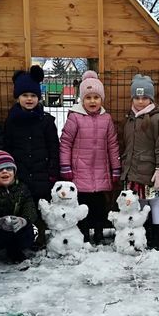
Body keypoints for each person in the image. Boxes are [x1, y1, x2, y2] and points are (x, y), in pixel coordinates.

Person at [60, 70, 120, 245]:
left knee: (99, 206)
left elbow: (112, 145)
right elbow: (65, 143)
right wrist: (65, 166)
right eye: (88, 97)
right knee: (83, 205)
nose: (92, 101)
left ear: (101, 99)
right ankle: (84, 233)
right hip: (80, 171)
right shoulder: (75, 117)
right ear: (82, 99)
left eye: (96, 97)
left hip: (101, 170)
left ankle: (99, 232)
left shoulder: (106, 119)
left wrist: (115, 168)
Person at [4, 65, 60, 249]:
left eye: (33, 96)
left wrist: (52, 170)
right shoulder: (12, 120)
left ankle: (41, 238)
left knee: (41, 207)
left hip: (42, 173)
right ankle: (24, 240)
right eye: (25, 95)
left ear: (39, 97)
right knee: (22, 208)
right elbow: (7, 146)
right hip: (20, 173)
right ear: (18, 97)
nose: (29, 99)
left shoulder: (46, 121)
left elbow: (54, 147)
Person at [121, 74, 159, 249]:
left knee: (154, 202)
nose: (140, 101)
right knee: (139, 202)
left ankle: (156, 235)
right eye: (137, 97)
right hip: (133, 171)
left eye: (144, 98)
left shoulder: (157, 119)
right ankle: (143, 233)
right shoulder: (130, 119)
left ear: (151, 98)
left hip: (150, 172)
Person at [0, 150, 39, 263]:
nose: (5, 172)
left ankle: (16, 251)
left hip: (15, 228)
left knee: (30, 230)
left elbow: (30, 209)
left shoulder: (21, 187)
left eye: (9, 169)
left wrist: (23, 220)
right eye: (0, 169)